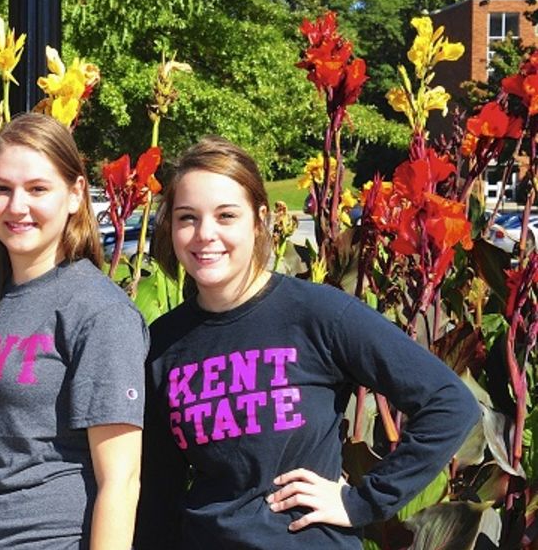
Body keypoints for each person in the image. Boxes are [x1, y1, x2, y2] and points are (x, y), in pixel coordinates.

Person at [135, 137, 480, 549]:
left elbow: (449, 404)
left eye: (226, 215)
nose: (205, 234)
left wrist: (363, 501)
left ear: (259, 220)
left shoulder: (317, 313)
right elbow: (158, 488)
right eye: (187, 218)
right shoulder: (163, 344)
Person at [0, 113, 147, 549]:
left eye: (38, 189)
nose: (17, 206)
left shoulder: (98, 311)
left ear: (75, 195)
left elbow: (121, 479)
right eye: (2, 189)